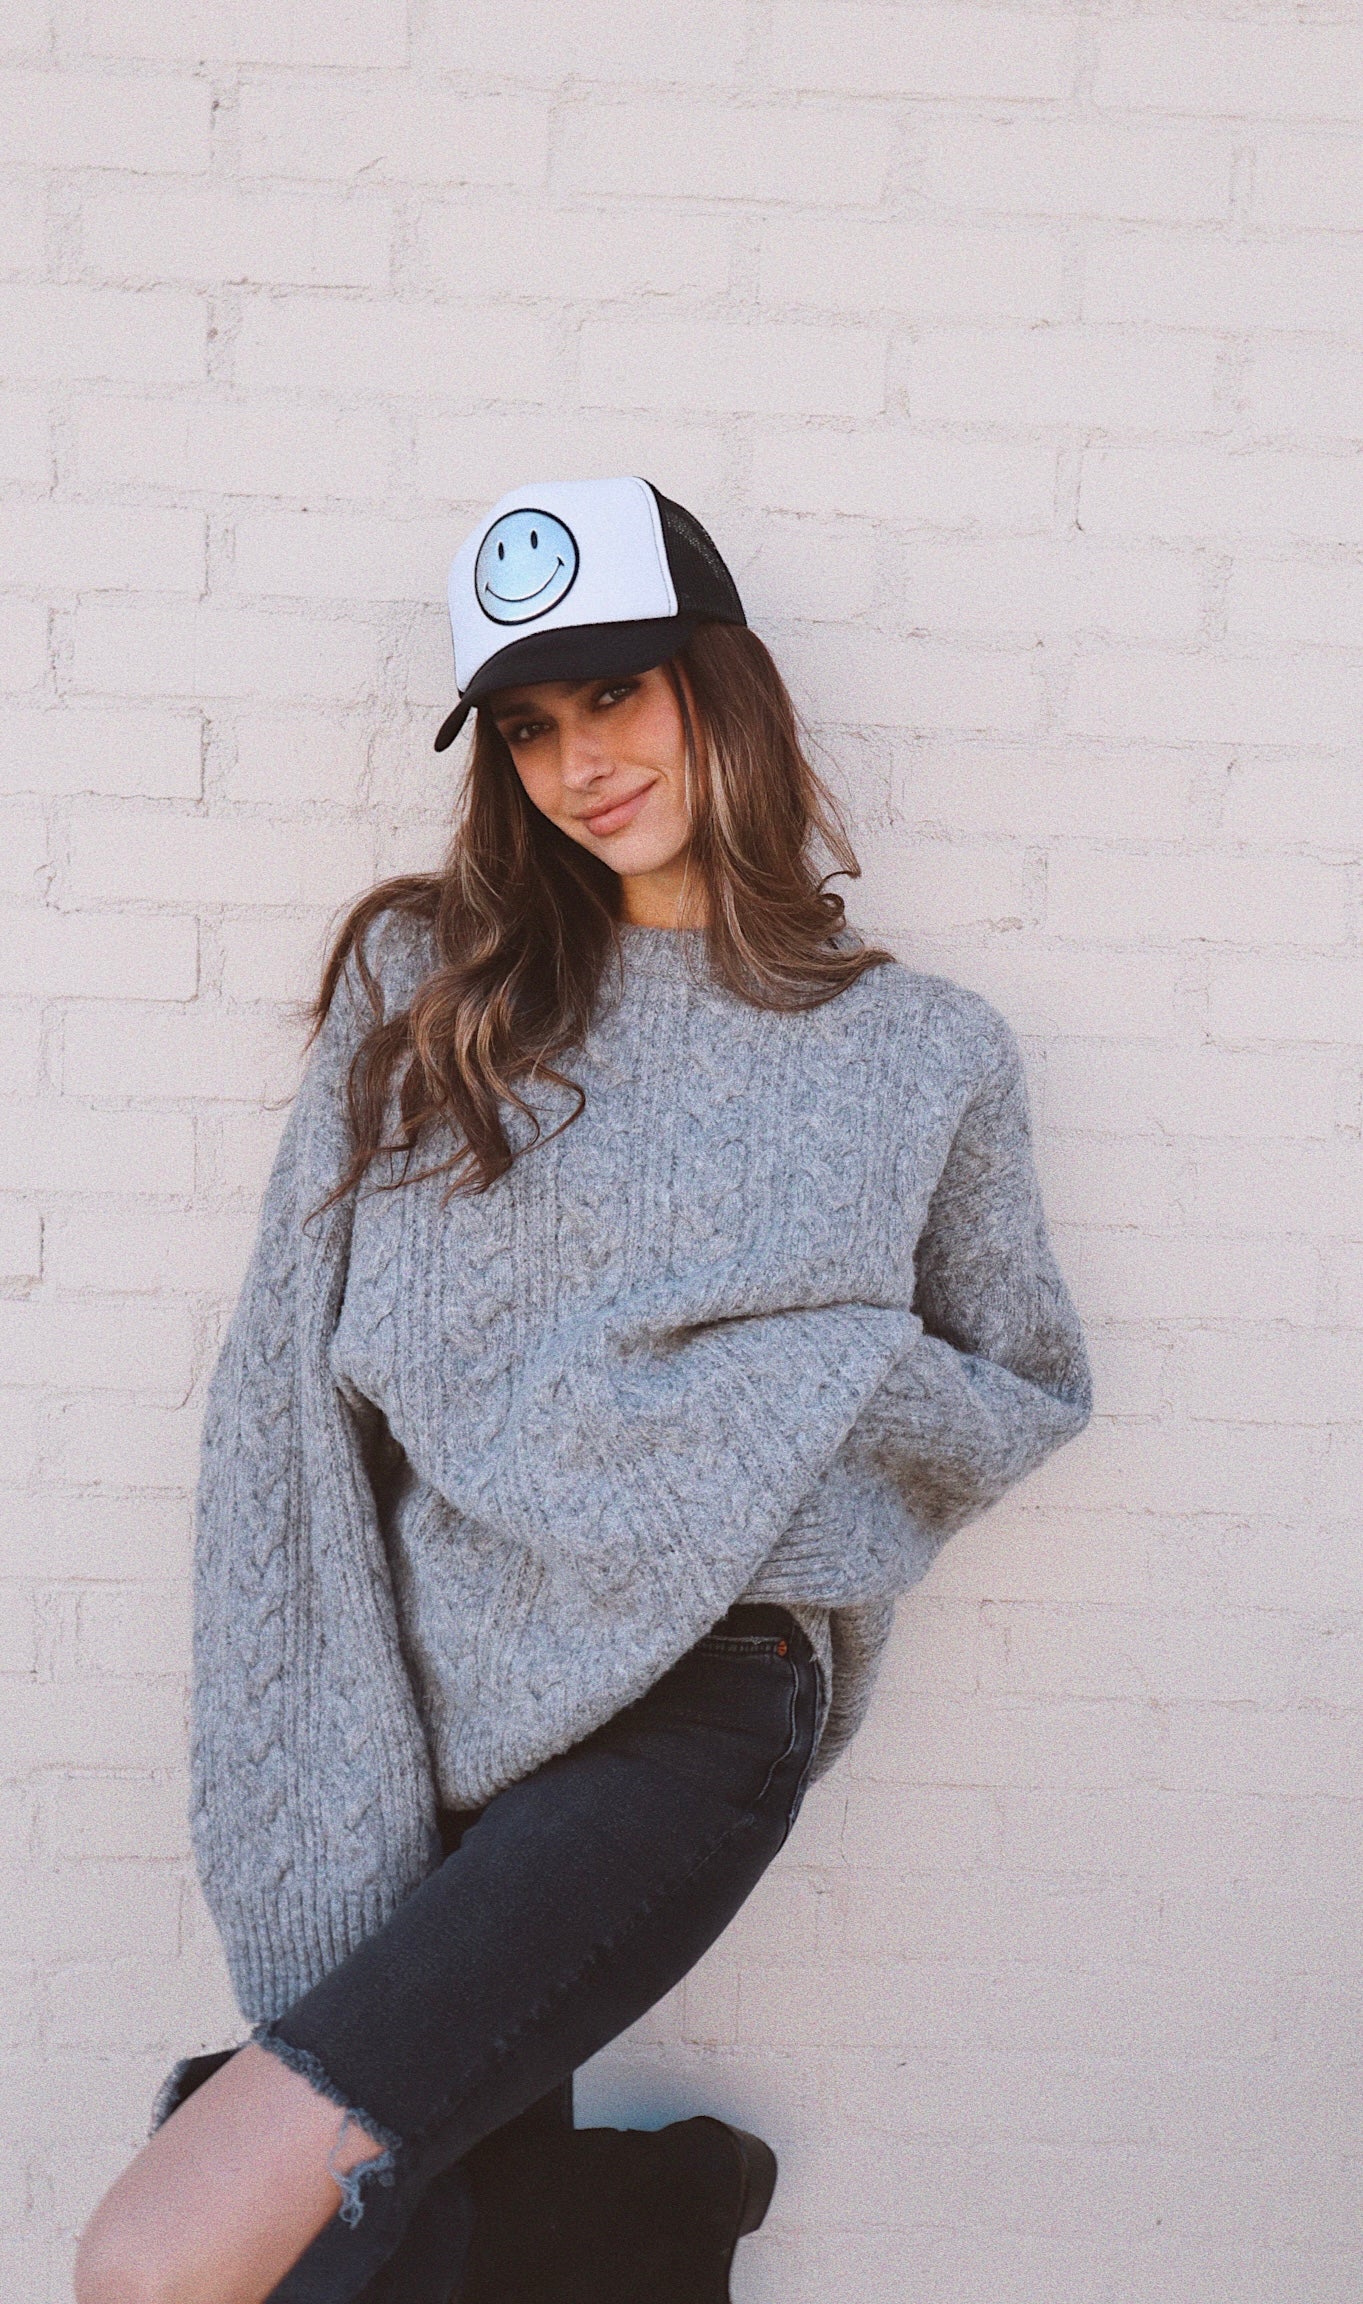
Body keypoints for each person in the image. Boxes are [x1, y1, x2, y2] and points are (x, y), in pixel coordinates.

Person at [75, 476, 1092, 2304]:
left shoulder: (918, 1053)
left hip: (702, 1710)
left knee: (163, 2255)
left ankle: (625, 2225)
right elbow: (284, 1433)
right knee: (388, 2254)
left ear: (726, 688)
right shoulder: (430, 987)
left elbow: (1015, 1386)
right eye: (530, 726)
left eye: (618, 692)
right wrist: (318, 1799)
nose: (578, 763)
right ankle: (643, 2229)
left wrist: (787, 1409)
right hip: (447, 1714)